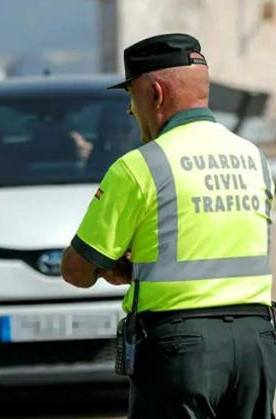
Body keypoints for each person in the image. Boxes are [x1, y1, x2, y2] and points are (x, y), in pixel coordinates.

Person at [60, 33, 276, 418]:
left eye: (132, 97)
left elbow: (77, 271)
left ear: (155, 94)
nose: (131, 111)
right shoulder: (254, 159)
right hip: (256, 343)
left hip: (182, 348)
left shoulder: (140, 166)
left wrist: (121, 268)